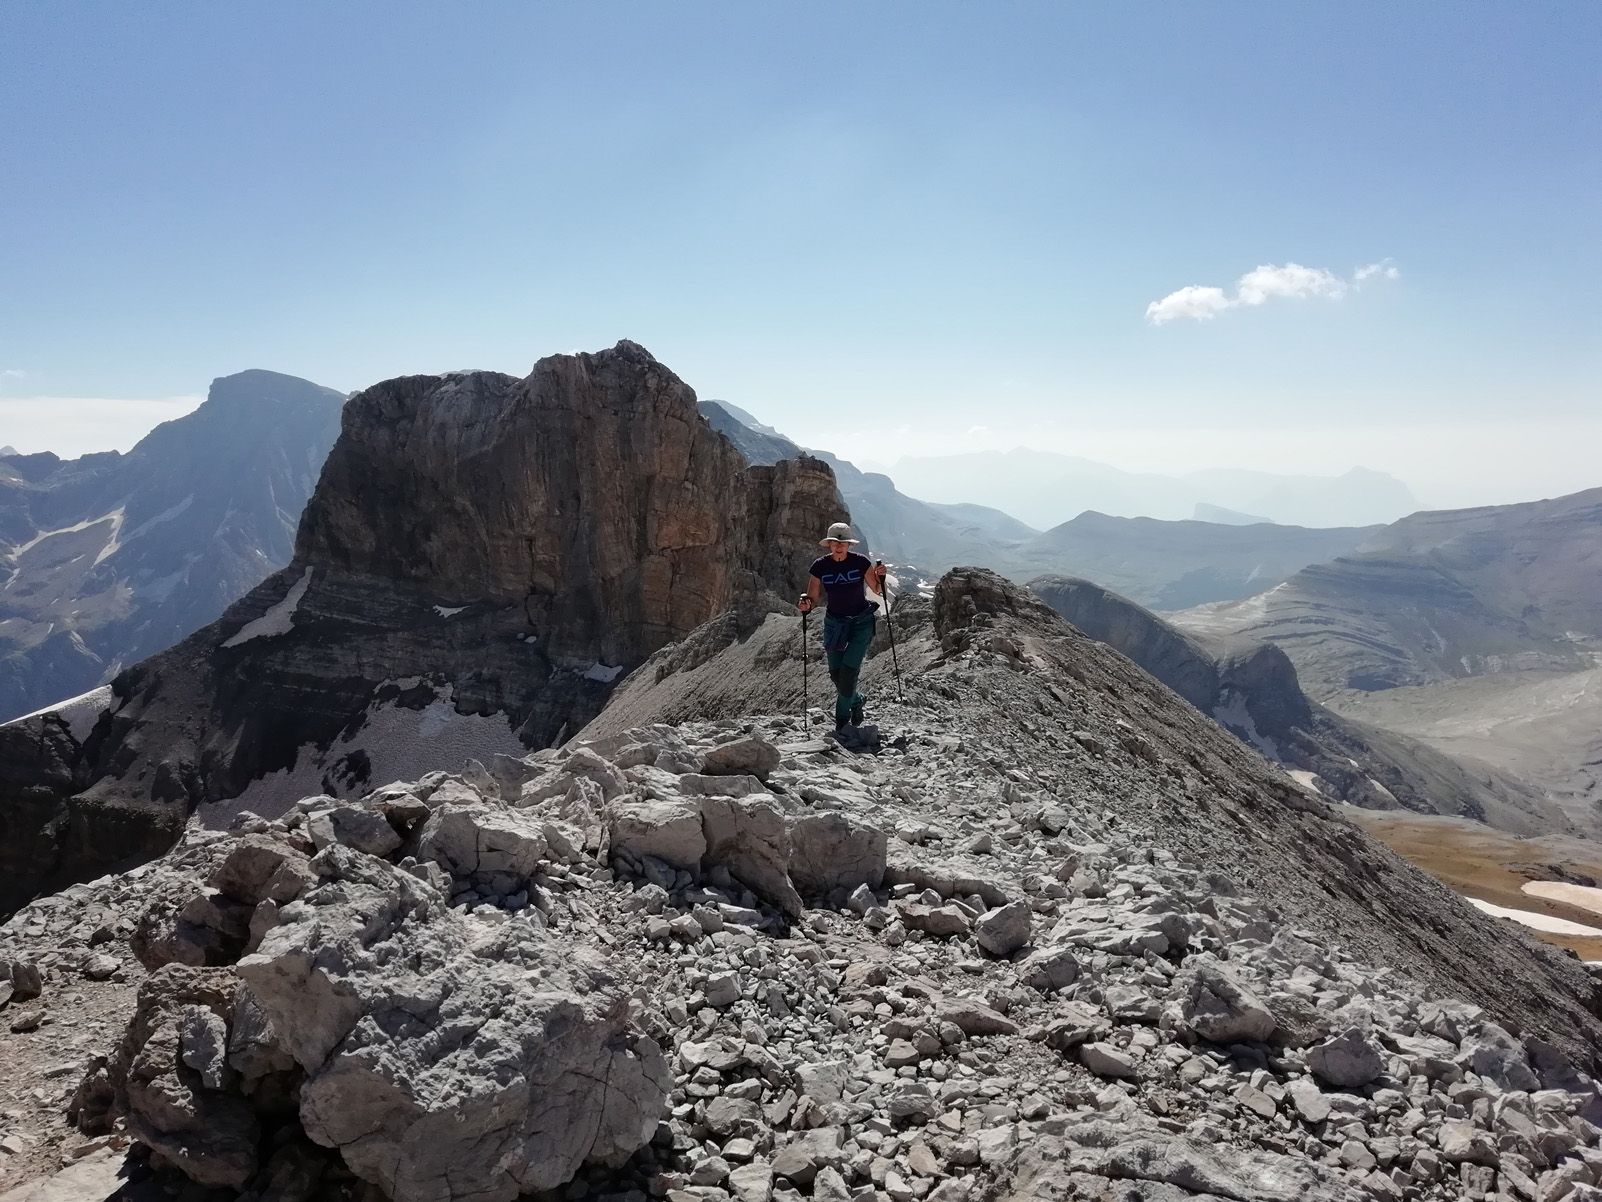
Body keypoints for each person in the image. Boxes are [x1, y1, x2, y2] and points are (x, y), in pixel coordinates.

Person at [797, 522, 887, 732]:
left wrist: (880, 576)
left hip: (861, 622)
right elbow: (813, 597)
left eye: (843, 543)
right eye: (835, 543)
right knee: (836, 673)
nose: (839, 546)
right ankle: (857, 700)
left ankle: (841, 722)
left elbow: (876, 588)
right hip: (835, 623)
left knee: (848, 673)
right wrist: (805, 604)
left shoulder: (861, 562)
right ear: (829, 544)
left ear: (849, 545)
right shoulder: (820, 566)